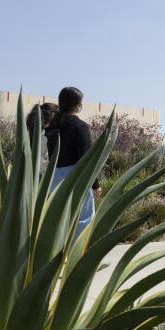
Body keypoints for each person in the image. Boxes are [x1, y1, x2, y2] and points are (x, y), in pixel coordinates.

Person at [50, 87, 100, 240]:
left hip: (53, 178)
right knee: (82, 220)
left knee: (57, 221)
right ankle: (75, 259)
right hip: (75, 178)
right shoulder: (79, 126)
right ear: (78, 104)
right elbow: (88, 158)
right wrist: (95, 185)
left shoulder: (52, 127)